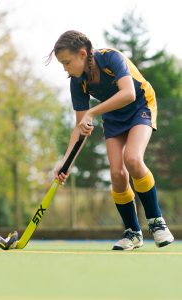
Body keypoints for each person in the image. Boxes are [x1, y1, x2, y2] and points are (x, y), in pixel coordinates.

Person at [48, 30, 174, 250]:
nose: (65, 69)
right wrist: (65, 162)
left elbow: (128, 94)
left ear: (82, 53)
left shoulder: (110, 58)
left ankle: (157, 223)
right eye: (62, 65)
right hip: (114, 115)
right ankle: (133, 232)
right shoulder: (78, 83)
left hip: (140, 106)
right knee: (117, 174)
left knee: (132, 159)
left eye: (67, 62)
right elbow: (80, 129)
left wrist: (92, 112)